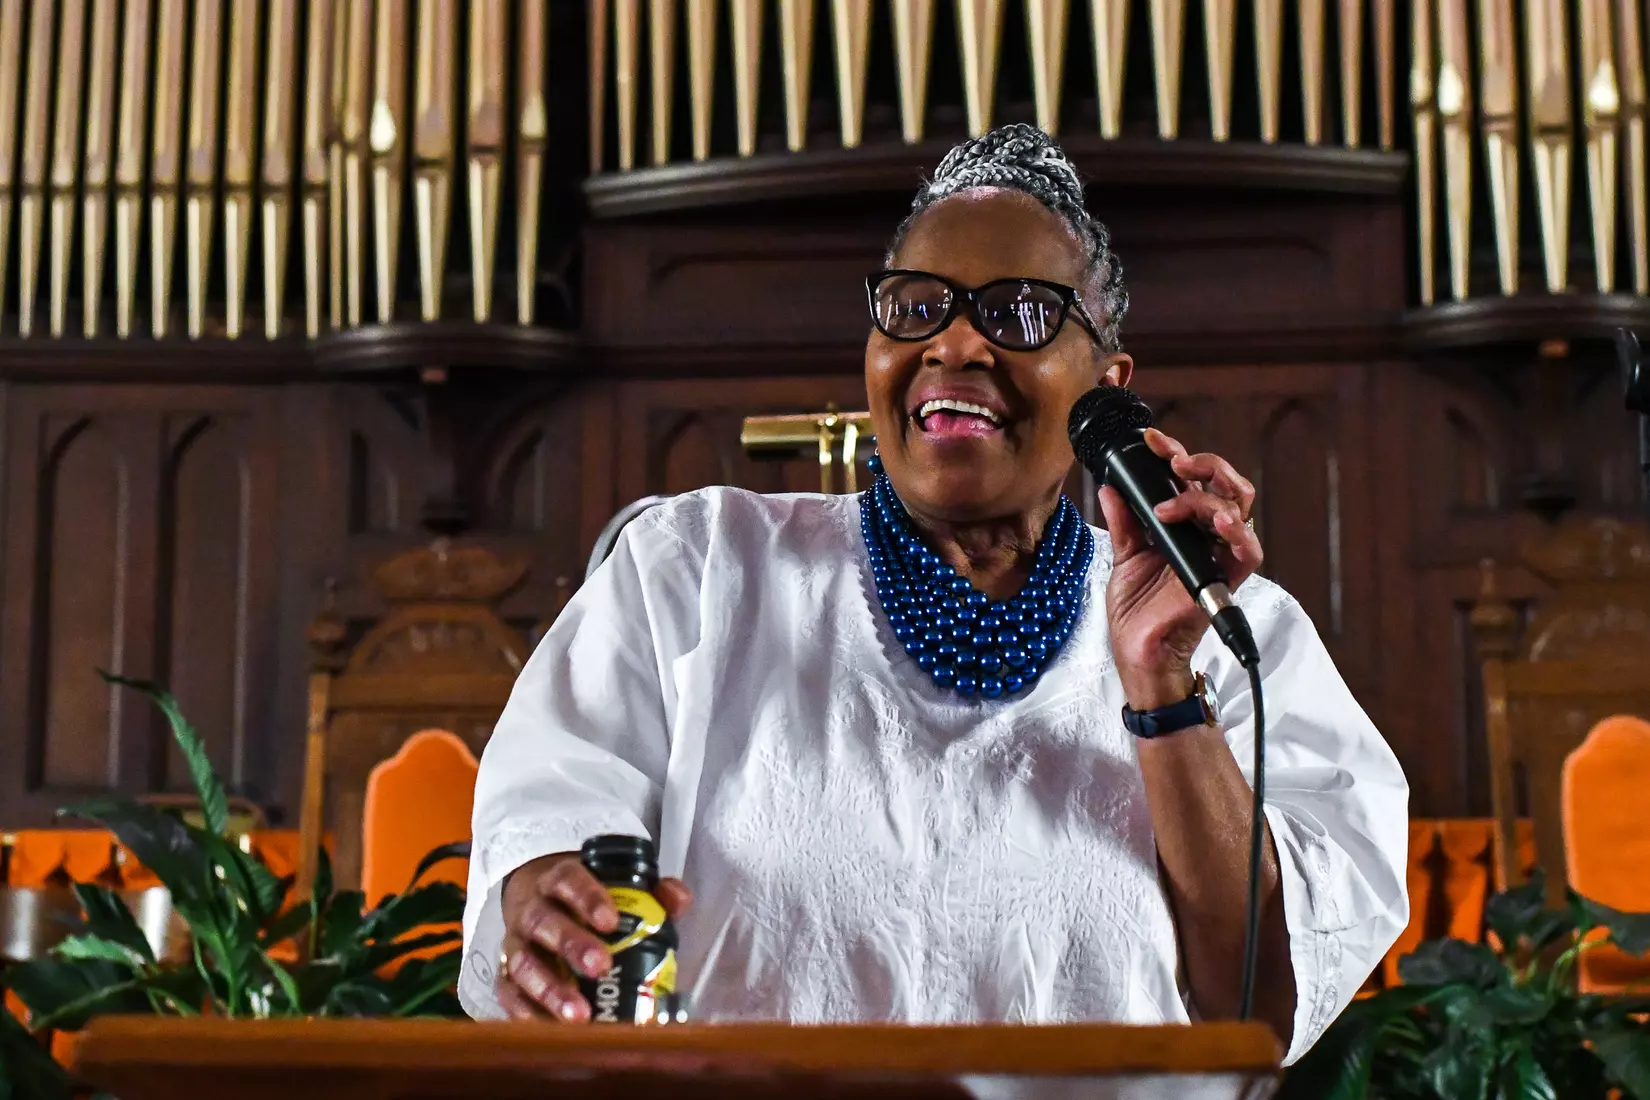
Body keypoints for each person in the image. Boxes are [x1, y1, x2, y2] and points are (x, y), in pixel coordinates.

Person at [460, 123, 1408, 1065]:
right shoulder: (697, 569)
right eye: (915, 306)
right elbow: (552, 811)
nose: (955, 343)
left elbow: (1259, 1000)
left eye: (1022, 313)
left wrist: (1162, 685)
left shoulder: (1238, 635)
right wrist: (547, 897)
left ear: (1107, 386)